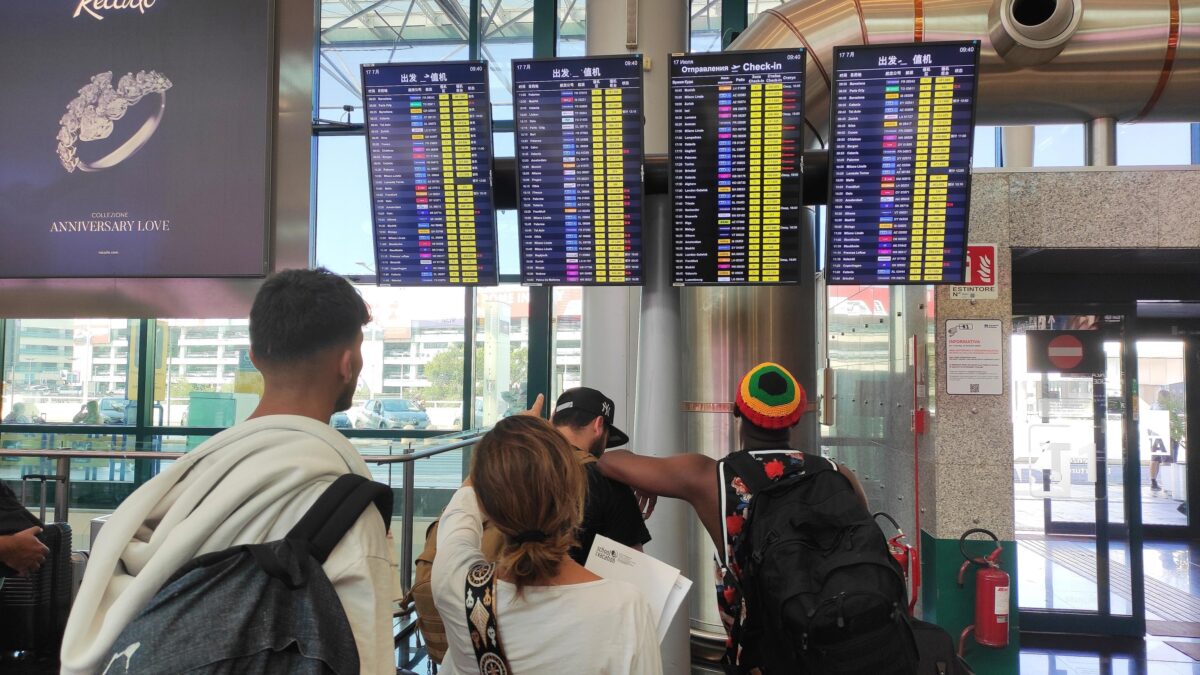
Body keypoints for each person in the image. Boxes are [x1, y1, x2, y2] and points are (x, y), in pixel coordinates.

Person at [61, 268, 400, 674]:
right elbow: (368, 658)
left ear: (255, 358)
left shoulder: (184, 483)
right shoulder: (343, 509)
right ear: (347, 364)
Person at [598, 362, 870, 672]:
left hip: (765, 658)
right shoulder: (838, 475)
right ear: (795, 418)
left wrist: (646, 483)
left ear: (736, 410)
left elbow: (608, 461)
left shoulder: (712, 479)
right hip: (843, 648)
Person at [432, 414, 662, 674]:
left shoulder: (455, 585)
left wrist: (503, 449)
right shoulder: (625, 610)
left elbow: (459, 515)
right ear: (574, 496)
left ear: (485, 506)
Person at [551, 387, 651, 563]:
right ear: (598, 425)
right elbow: (631, 567)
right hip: (580, 580)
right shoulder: (609, 481)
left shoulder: (519, 467)